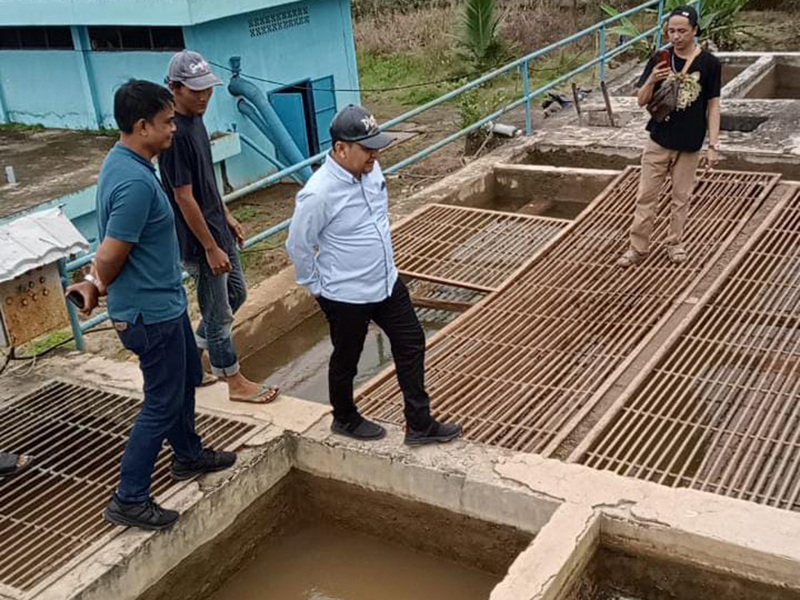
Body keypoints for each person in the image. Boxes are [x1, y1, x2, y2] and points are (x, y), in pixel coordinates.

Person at [66, 80, 235, 530]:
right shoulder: (134, 183)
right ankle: (129, 497)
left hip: (165, 304)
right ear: (142, 126)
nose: (173, 129)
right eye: (165, 122)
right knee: (161, 401)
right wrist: (91, 283)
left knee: (185, 382)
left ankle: (188, 455)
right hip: (148, 313)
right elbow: (110, 253)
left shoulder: (128, 163)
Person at [286, 104, 462, 445]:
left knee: (411, 343)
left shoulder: (372, 172)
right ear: (340, 149)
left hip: (386, 283)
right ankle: (345, 417)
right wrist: (317, 288)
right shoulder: (318, 194)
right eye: (368, 149)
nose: (375, 156)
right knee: (347, 359)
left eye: (377, 148)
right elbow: (298, 245)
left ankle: (419, 423)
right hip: (346, 294)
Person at [160, 50, 278, 403]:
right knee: (219, 313)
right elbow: (183, 197)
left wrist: (226, 217)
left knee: (236, 295)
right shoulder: (174, 135)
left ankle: (193, 359)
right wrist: (210, 246)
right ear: (175, 88)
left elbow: (205, 183)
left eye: (208, 90)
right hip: (200, 241)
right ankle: (234, 381)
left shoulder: (196, 122)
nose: (204, 97)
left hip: (217, 229)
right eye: (196, 91)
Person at [617, 5, 721, 268]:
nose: (675, 36)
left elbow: (713, 105)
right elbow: (641, 101)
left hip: (689, 143)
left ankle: (675, 244)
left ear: (695, 31)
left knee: (681, 197)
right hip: (658, 139)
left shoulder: (709, 64)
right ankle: (637, 248)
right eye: (671, 31)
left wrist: (713, 145)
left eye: (682, 31)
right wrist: (652, 78)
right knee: (646, 195)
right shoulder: (659, 59)